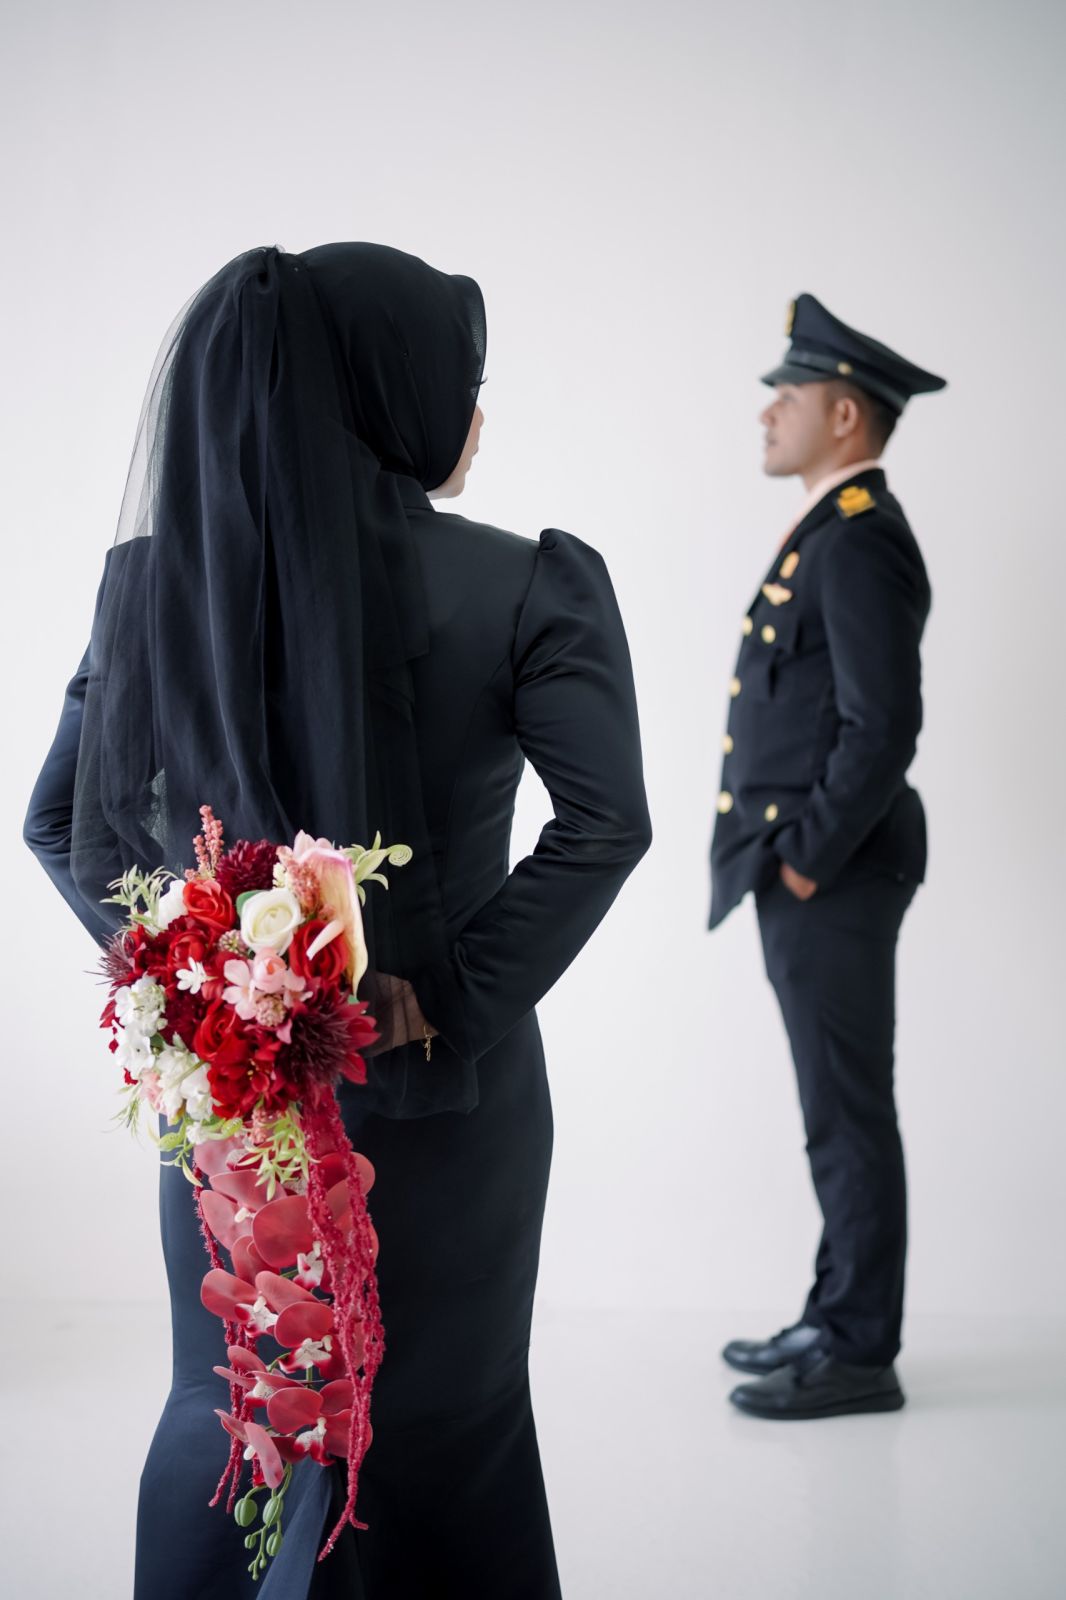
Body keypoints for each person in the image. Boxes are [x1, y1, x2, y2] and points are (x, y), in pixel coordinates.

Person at [23, 242, 651, 1597]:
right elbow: (607, 823)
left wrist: (200, 987)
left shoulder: (161, 581)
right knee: (446, 1426)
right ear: (390, 391)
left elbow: (63, 824)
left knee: (230, 1413)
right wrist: (452, 992)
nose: (475, 416)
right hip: (447, 1100)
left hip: (232, 1095)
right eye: (463, 381)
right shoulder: (526, 584)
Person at [709, 293, 945, 1421]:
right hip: (816, 869)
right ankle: (833, 1313)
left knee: (847, 1113)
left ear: (844, 413)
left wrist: (802, 857)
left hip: (833, 871)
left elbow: (882, 725)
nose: (767, 413)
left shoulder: (858, 538)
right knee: (833, 1107)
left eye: (787, 395)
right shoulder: (833, 529)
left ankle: (858, 1351)